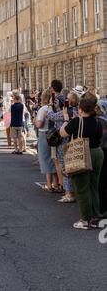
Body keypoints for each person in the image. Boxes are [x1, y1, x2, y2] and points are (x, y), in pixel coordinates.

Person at [60, 96, 104, 230]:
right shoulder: (98, 121)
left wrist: (66, 119)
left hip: (82, 154)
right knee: (93, 186)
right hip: (97, 153)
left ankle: (85, 220)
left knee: (81, 188)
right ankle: (95, 217)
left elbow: (62, 133)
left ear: (80, 109)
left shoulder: (76, 121)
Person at [35, 89, 58, 192]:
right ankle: (56, 183)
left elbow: (39, 124)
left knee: (45, 159)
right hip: (56, 135)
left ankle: (49, 184)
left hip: (45, 134)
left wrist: (35, 121)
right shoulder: (55, 108)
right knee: (55, 159)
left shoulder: (43, 109)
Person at [96, 100, 107, 216]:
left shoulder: (101, 121)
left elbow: (102, 140)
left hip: (103, 152)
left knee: (101, 182)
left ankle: (102, 208)